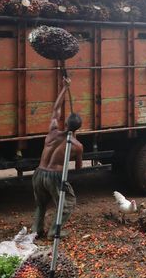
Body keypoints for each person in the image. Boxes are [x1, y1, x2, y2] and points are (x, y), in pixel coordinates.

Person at [31, 77, 83, 238]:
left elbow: (55, 110)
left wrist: (65, 88)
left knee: (41, 203)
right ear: (78, 127)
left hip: (38, 173)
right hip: (54, 176)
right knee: (67, 203)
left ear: (65, 123)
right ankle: (54, 230)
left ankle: (36, 230)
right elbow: (78, 167)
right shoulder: (76, 146)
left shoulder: (52, 132)